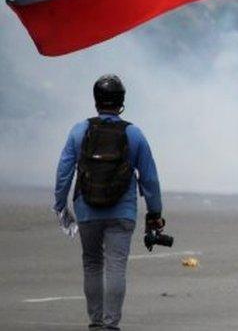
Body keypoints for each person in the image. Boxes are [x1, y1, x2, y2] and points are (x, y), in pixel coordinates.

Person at [53, 75, 164, 330]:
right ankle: (111, 324)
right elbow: (150, 178)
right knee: (116, 266)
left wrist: (60, 205)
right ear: (122, 101)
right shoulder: (134, 133)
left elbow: (64, 173)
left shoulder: (79, 131)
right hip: (122, 212)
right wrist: (155, 212)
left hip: (86, 209)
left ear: (96, 100)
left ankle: (95, 322)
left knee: (92, 263)